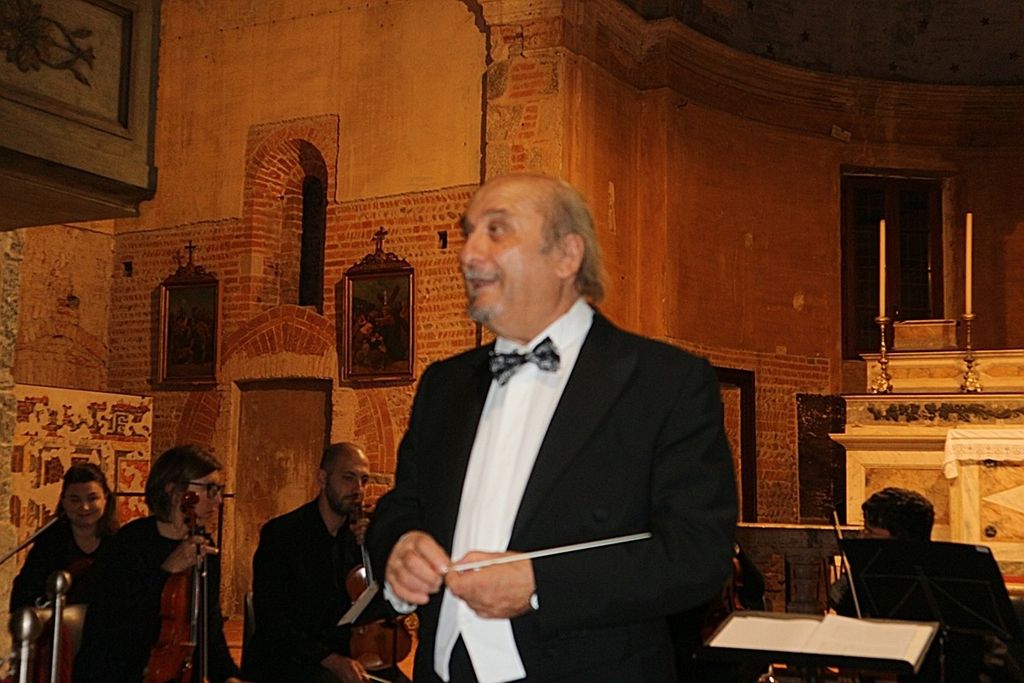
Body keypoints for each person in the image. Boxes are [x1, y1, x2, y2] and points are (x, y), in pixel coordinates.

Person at [367, 173, 738, 682]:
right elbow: (402, 505)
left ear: (567, 255)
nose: (469, 254)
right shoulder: (444, 385)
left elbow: (697, 553)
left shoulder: (664, 382)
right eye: (468, 233)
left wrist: (541, 584)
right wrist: (399, 547)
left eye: (497, 231)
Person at [73, 445, 245, 683]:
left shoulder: (204, 546)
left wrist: (228, 676)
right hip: (121, 671)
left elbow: (209, 626)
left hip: (178, 671)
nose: (217, 499)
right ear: (174, 490)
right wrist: (166, 571)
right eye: (209, 488)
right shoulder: (129, 542)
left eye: (219, 490)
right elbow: (116, 625)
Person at [247, 442, 408, 683]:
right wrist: (330, 659)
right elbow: (273, 619)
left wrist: (378, 549)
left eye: (364, 480)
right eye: (348, 478)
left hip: (351, 653)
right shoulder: (282, 534)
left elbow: (384, 602)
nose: (358, 489)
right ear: (322, 479)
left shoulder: (362, 536)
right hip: (294, 658)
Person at [10, 462, 118, 611]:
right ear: (63, 501)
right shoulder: (49, 543)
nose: (84, 507)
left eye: (92, 498)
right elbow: (23, 598)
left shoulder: (119, 542)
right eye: (75, 500)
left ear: (105, 498)